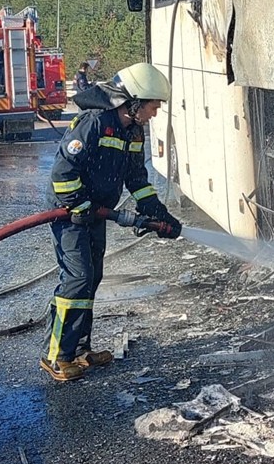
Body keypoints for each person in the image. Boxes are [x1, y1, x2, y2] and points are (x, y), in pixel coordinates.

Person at [41, 62, 183, 383]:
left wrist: (158, 212)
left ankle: (78, 350)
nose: (156, 113)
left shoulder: (132, 131)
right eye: (153, 106)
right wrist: (78, 204)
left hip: (95, 211)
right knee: (77, 279)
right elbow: (62, 173)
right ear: (133, 102)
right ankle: (55, 356)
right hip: (69, 211)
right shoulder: (93, 123)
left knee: (92, 277)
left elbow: (136, 177)